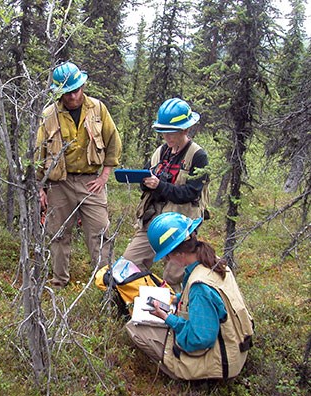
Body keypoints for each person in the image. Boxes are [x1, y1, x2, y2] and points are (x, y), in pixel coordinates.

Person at [126, 212, 254, 380]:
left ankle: (180, 373)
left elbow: (199, 339)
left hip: (221, 363)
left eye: (168, 256)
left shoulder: (200, 287)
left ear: (179, 254)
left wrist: (167, 318)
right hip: (235, 349)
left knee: (134, 328)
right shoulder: (213, 262)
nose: (167, 260)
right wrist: (180, 298)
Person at [36, 61, 122, 289]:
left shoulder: (98, 109)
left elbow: (113, 142)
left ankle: (105, 282)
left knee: (99, 233)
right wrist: (40, 188)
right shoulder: (48, 115)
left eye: (76, 89)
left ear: (83, 86)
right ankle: (59, 281)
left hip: (91, 181)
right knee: (58, 234)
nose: (73, 96)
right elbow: (39, 153)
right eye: (68, 92)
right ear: (60, 93)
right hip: (59, 184)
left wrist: (104, 176)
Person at [122, 97, 209, 292]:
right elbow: (145, 187)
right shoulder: (160, 152)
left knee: (173, 277)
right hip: (153, 220)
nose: (167, 137)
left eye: (172, 132)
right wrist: (145, 183)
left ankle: (175, 314)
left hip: (180, 226)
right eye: (164, 132)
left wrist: (159, 185)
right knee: (129, 264)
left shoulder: (198, 156)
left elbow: (190, 193)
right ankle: (138, 305)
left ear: (185, 129)